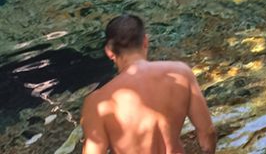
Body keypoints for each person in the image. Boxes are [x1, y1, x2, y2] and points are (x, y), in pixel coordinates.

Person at [81, 15, 216, 154]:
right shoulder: (181, 73)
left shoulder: (97, 102)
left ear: (109, 51)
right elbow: (207, 131)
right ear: (145, 41)